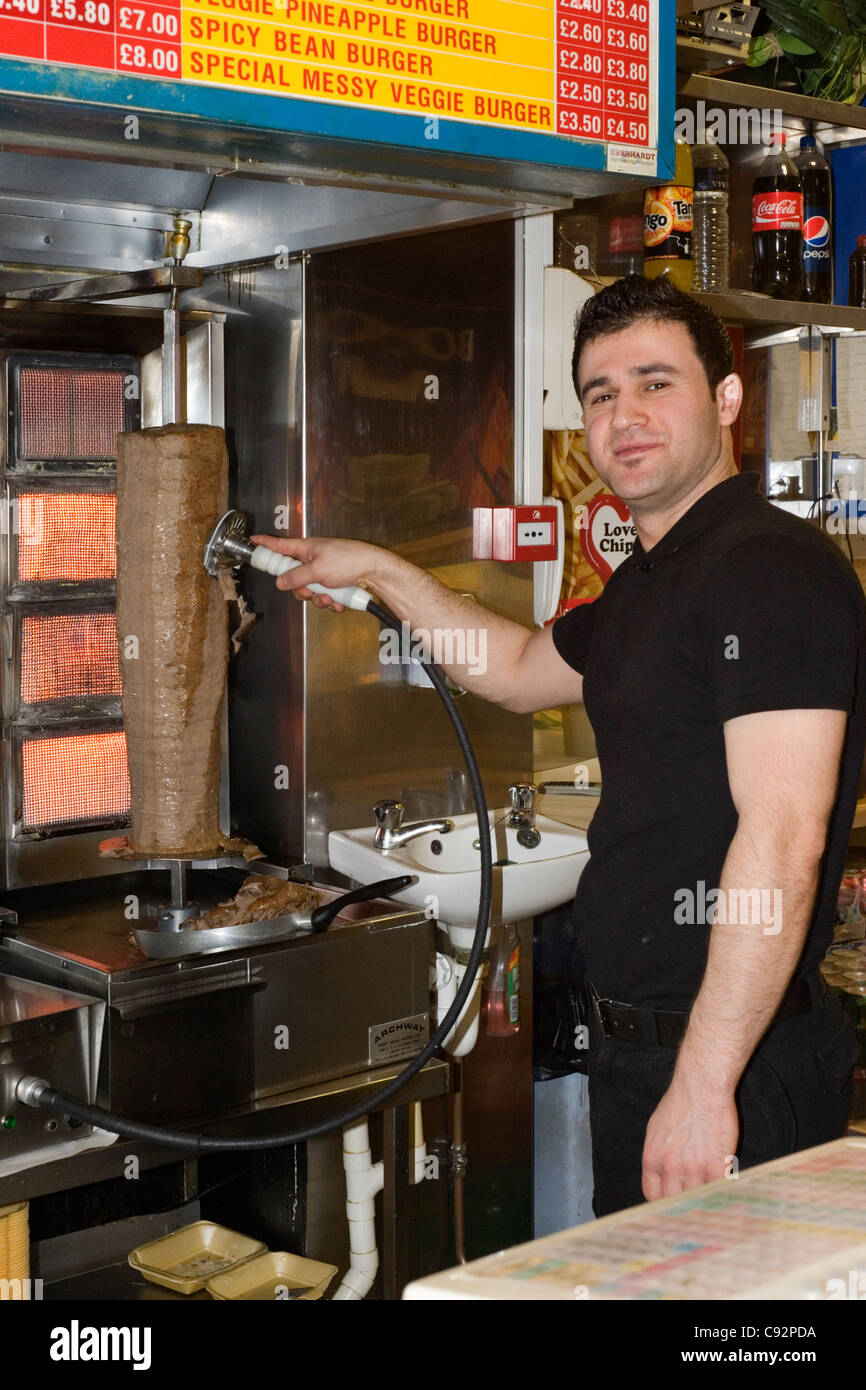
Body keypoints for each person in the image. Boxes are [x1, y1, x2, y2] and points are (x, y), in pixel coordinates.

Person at [252, 275, 865, 1216]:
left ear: (728, 399)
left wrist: (703, 1088)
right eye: (601, 393)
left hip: (733, 1065)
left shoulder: (767, 570)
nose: (626, 415)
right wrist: (381, 572)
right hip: (649, 1052)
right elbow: (512, 667)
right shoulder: (652, 580)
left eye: (656, 382)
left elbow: (784, 838)